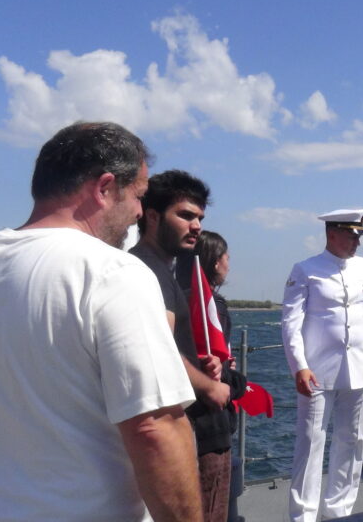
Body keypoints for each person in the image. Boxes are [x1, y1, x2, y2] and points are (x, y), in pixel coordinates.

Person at [0, 122, 201, 521]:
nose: (139, 213)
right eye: (138, 195)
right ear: (105, 187)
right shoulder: (112, 272)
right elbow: (155, 428)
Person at [281, 208, 363, 522]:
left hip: (359, 371)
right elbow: (291, 323)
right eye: (352, 236)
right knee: (310, 445)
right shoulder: (306, 270)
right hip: (317, 372)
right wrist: (299, 366)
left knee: (352, 443)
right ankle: (303, 517)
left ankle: (339, 514)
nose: (357, 242)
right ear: (332, 234)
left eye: (359, 237)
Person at [131, 171, 233, 522]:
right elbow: (159, 352)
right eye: (185, 215)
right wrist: (210, 386)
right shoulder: (148, 272)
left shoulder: (164, 271)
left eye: (200, 218)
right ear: (153, 216)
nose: (196, 226)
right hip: (181, 429)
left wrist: (203, 363)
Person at [188, 230, 248, 522]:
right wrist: (237, 382)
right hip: (211, 424)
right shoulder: (213, 307)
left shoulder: (183, 301)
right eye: (227, 258)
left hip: (189, 423)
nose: (228, 264)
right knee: (212, 507)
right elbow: (217, 371)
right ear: (215, 262)